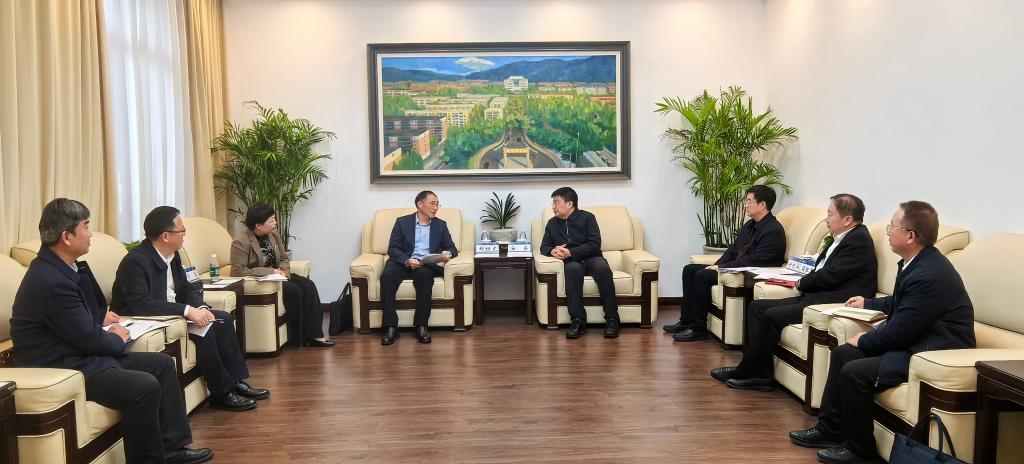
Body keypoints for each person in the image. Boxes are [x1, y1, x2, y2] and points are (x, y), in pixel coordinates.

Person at [10, 198, 213, 464]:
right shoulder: (50, 280)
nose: (90, 233)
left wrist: (101, 318)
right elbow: (88, 338)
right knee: (143, 386)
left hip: (80, 354)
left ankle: (172, 449)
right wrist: (116, 338)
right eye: (85, 227)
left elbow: (81, 315)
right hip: (65, 365)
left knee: (162, 365)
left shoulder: (64, 267)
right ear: (67, 237)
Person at [788, 201, 975, 464]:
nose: (888, 232)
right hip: (916, 342)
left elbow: (899, 333)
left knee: (855, 372)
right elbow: (901, 303)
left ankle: (860, 449)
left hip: (932, 353)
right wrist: (868, 303)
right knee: (843, 354)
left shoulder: (929, 274)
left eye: (892, 227)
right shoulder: (916, 262)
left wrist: (864, 339)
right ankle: (830, 430)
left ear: (910, 236)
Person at [111, 206, 270, 412]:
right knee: (205, 330)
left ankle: (235, 381)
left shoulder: (173, 255)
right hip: (145, 318)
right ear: (165, 236)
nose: (185, 234)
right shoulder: (136, 262)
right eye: (181, 230)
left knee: (221, 319)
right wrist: (188, 311)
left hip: (170, 313)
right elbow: (142, 304)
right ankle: (221, 392)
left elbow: (185, 288)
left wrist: (201, 307)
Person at [711, 194, 877, 390]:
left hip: (828, 303)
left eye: (830, 214)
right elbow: (822, 269)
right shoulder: (842, 237)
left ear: (847, 219)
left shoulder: (858, 240)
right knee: (756, 307)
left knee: (771, 315)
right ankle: (757, 372)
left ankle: (749, 372)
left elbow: (831, 275)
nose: (826, 219)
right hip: (816, 296)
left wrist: (800, 283)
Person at [666, 185, 788, 342]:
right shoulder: (749, 225)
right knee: (689, 269)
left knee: (702, 275)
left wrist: (722, 268)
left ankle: (698, 329)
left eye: (749, 201)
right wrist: (717, 265)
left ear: (762, 205)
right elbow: (732, 250)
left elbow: (754, 260)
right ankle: (686, 321)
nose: (745, 205)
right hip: (735, 268)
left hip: (749, 274)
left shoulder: (773, 231)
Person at [230, 203, 334, 348]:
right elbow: (237, 270)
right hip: (263, 279)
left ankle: (315, 335)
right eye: (271, 220)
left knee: (308, 285)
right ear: (258, 225)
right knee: (294, 291)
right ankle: (298, 338)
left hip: (280, 274)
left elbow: (284, 257)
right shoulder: (241, 241)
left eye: (274, 219)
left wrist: (284, 271)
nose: (275, 223)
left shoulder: (273, 233)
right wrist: (271, 272)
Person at [540, 187, 621, 339]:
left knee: (602, 268)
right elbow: (544, 247)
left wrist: (571, 252)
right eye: (553, 203)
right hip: (572, 262)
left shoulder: (588, 218)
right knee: (572, 270)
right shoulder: (552, 224)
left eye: (556, 202)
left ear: (569, 203)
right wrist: (553, 251)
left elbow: (595, 244)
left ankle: (612, 319)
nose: (553, 206)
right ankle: (578, 320)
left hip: (592, 257)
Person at [379, 190, 458, 345]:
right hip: (403, 262)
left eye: (437, 204)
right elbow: (393, 249)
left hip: (425, 264)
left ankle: (421, 326)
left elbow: (452, 247)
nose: (436, 208)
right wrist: (407, 260)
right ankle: (390, 327)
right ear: (420, 204)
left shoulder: (440, 225)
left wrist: (447, 254)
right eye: (432, 204)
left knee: (424, 276)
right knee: (387, 276)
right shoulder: (402, 222)